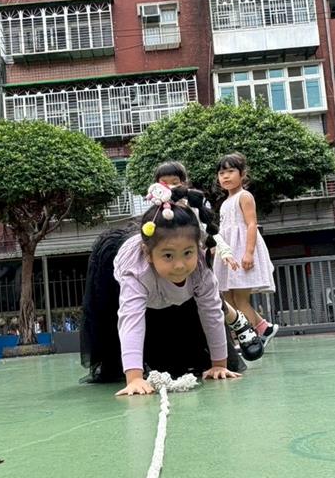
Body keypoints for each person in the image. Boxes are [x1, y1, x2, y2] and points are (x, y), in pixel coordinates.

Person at [80, 185, 243, 396]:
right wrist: (134, 378)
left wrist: (219, 365)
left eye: (188, 253)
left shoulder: (201, 270)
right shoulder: (136, 272)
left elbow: (212, 314)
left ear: (198, 247)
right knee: (118, 329)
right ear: (148, 254)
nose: (179, 265)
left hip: (175, 295)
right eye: (168, 256)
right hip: (118, 279)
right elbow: (131, 320)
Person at [153, 161, 264, 361]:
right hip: (167, 267)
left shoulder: (192, 209)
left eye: (175, 182)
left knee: (211, 298)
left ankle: (238, 322)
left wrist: (226, 252)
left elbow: (209, 232)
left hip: (193, 263)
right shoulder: (154, 213)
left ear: (184, 184)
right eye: (164, 183)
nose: (170, 187)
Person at [213, 153, 279, 347]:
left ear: (242, 174)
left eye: (231, 171)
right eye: (221, 173)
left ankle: (251, 339)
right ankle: (264, 328)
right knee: (228, 297)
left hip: (242, 251)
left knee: (240, 299)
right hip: (229, 254)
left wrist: (248, 253)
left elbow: (251, 224)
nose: (225, 176)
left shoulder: (244, 196)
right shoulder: (225, 202)